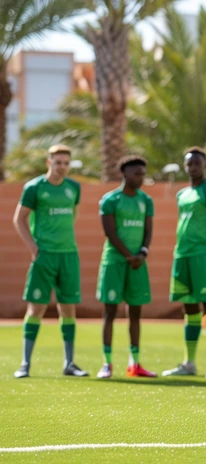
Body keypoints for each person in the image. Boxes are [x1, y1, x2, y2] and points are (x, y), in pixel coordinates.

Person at [13, 144, 88, 378]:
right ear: (49, 163)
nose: (62, 167)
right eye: (58, 163)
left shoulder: (74, 187)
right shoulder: (34, 187)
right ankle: (25, 364)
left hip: (68, 255)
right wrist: (34, 247)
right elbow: (19, 219)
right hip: (44, 256)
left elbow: (73, 216)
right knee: (36, 308)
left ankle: (69, 363)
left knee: (68, 309)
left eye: (66, 163)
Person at [163, 147, 206, 378]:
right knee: (189, 308)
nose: (192, 168)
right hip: (182, 256)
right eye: (189, 164)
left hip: (202, 255)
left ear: (205, 165)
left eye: (197, 164)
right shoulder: (182, 194)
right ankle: (189, 363)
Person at [96, 155, 156, 379]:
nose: (141, 177)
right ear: (125, 174)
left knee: (135, 313)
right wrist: (128, 256)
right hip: (114, 262)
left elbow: (148, 231)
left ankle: (135, 363)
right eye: (136, 173)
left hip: (138, 263)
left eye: (143, 173)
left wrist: (142, 253)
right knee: (109, 312)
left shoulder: (146, 201)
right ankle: (107, 363)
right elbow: (110, 232)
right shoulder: (110, 200)